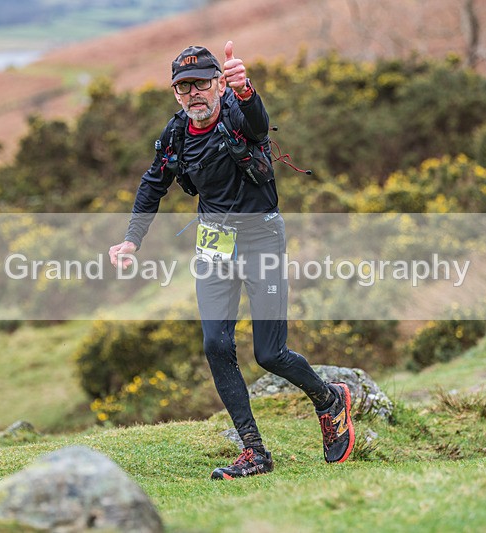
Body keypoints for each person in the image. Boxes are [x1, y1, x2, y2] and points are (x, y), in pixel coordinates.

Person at [108, 41, 354, 479]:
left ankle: (329, 399)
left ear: (219, 83)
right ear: (176, 94)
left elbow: (259, 127)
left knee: (270, 354)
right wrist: (132, 240)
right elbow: (152, 184)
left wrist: (246, 91)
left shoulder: (237, 113)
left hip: (261, 238)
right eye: (183, 88)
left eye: (201, 83)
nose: (193, 94)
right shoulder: (177, 133)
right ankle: (254, 452)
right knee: (215, 345)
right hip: (214, 247)